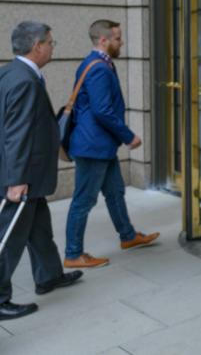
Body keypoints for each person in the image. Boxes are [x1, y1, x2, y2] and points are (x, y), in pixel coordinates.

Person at [0, 21, 83, 320]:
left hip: (29, 174)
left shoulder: (12, 72)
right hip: (23, 177)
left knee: (39, 229)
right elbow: (17, 132)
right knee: (10, 239)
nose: (52, 47)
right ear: (37, 46)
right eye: (51, 42)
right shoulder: (23, 80)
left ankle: (48, 276)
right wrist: (16, 180)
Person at [63, 20, 159, 268]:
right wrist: (129, 136)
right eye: (117, 38)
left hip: (100, 146)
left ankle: (128, 236)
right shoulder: (98, 69)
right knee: (84, 200)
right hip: (93, 147)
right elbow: (102, 110)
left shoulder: (98, 64)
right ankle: (73, 254)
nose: (122, 42)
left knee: (115, 192)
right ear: (103, 40)